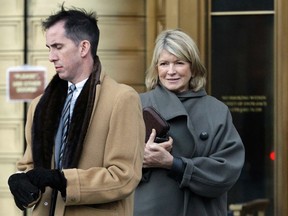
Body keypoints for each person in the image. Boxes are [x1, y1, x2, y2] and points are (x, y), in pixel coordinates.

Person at [7, 5, 145, 216]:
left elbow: (124, 177)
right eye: (48, 48)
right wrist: (20, 180)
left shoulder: (122, 99)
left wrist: (63, 180)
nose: (51, 56)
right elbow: (31, 167)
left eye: (58, 46)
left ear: (83, 48)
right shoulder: (39, 105)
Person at [133, 29, 245, 216]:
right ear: (156, 69)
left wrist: (174, 164)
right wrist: (139, 156)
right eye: (164, 64)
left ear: (193, 68)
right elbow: (111, 162)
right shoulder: (137, 104)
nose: (171, 71)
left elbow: (227, 170)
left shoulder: (216, 110)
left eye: (179, 63)